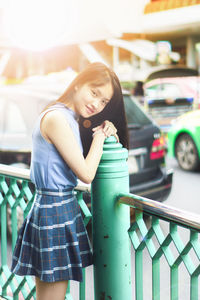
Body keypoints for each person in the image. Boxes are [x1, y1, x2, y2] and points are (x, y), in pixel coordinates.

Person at [11, 62, 129, 300]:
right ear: (78, 84)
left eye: (104, 101)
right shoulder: (57, 118)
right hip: (54, 212)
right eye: (94, 93)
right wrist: (100, 136)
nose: (96, 104)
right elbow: (86, 174)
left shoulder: (65, 116)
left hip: (55, 209)